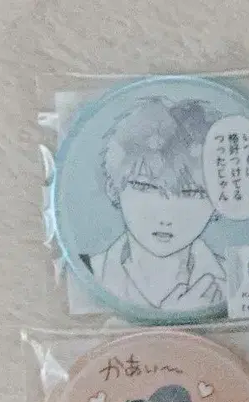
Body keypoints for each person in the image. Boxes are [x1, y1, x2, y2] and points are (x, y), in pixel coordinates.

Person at [81, 97, 226, 314]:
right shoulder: (87, 273)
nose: (166, 215)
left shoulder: (237, 280)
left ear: (219, 202)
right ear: (113, 188)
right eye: (144, 186)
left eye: (191, 193)